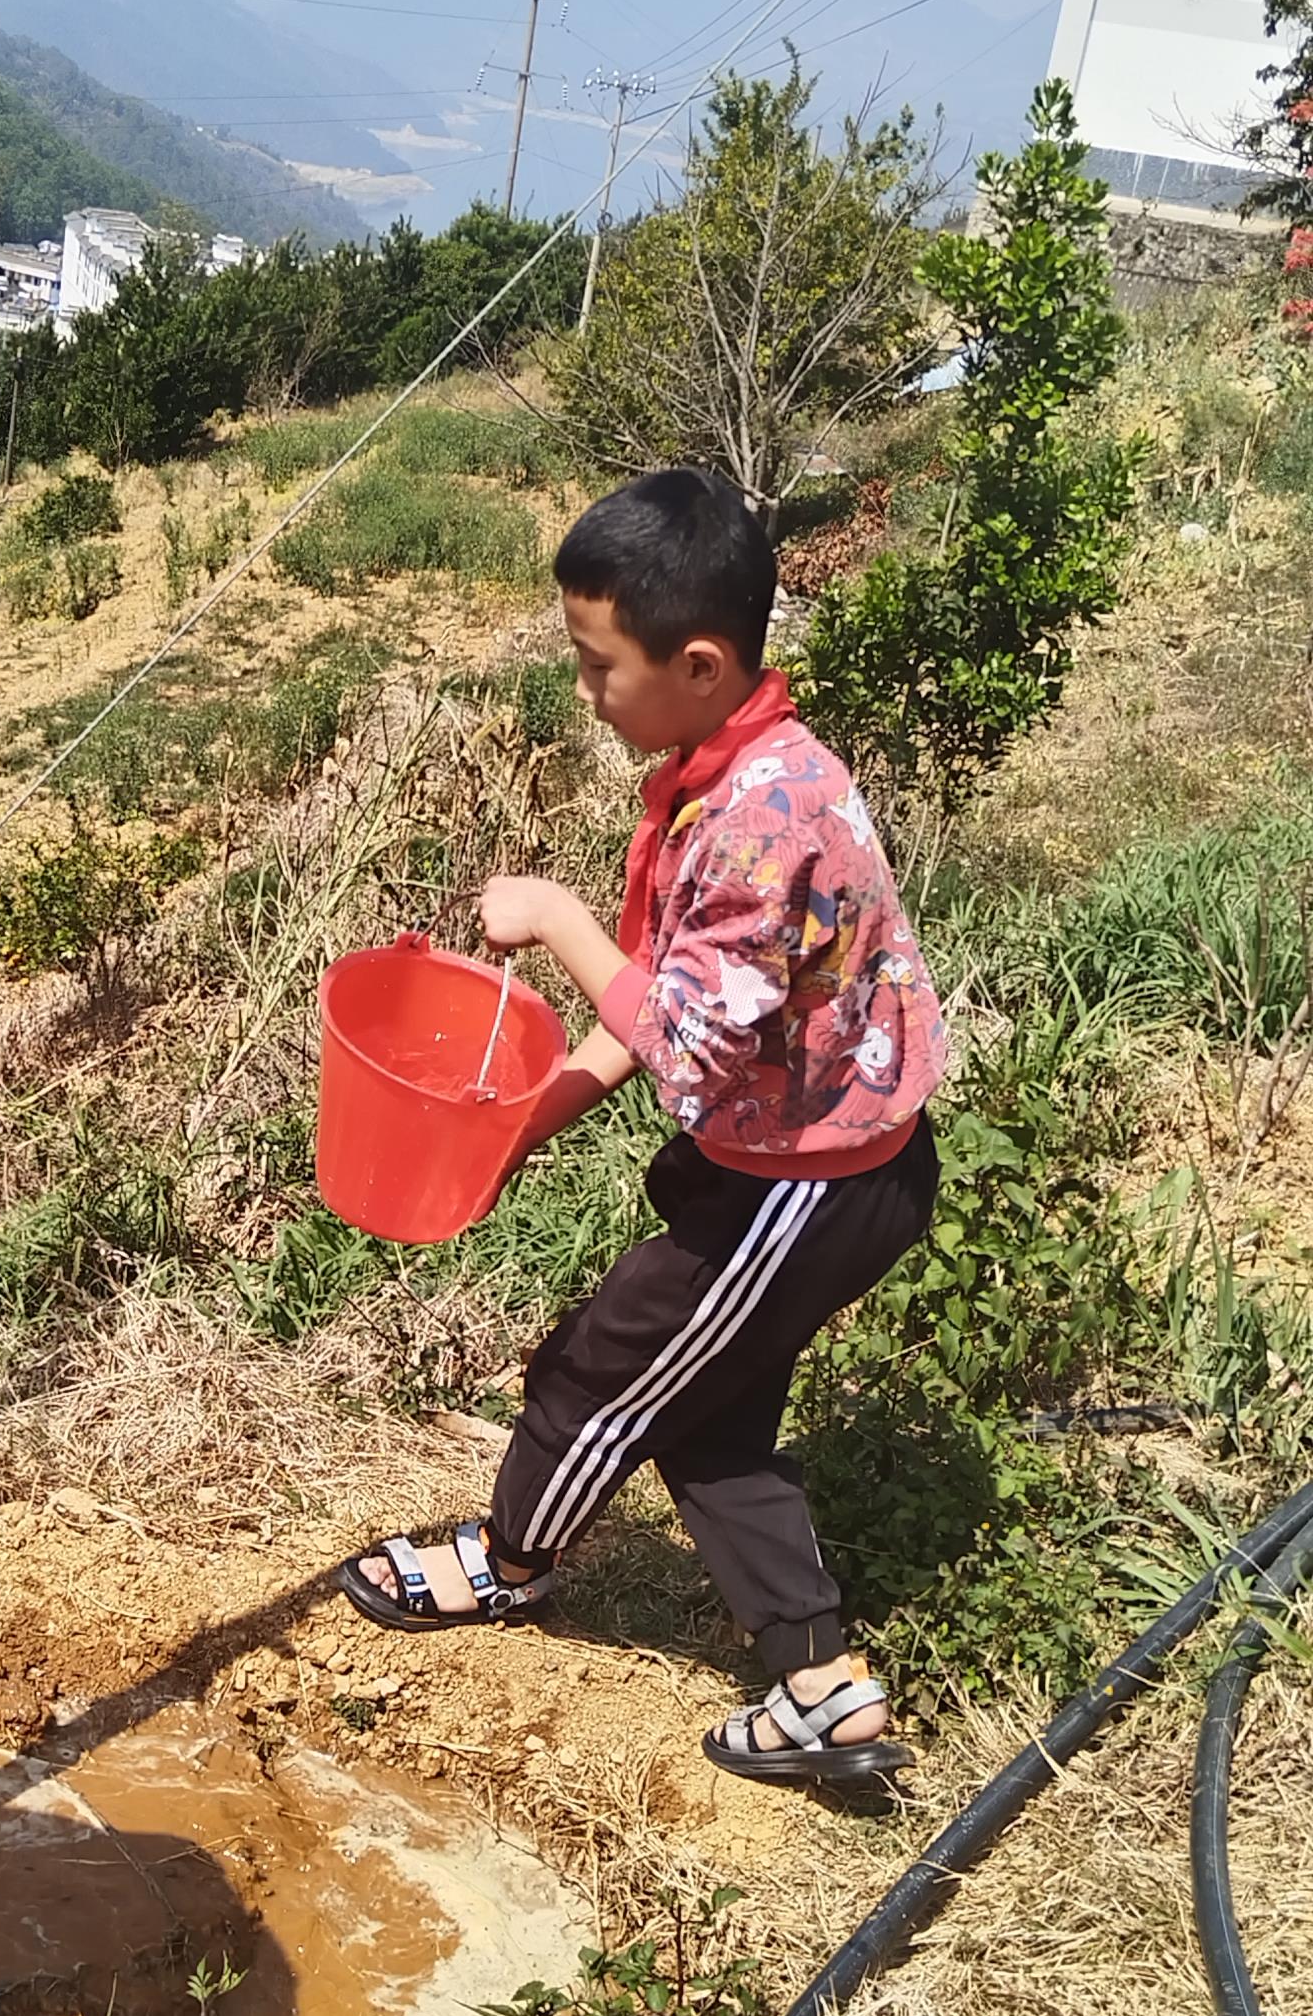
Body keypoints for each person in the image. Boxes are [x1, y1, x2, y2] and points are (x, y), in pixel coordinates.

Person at [341, 469, 945, 1787]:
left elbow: (678, 1047)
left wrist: (556, 919)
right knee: (709, 1418)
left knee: (588, 1379)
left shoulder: (757, 826)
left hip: (800, 1194)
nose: (585, 690)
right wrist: (519, 1131)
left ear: (702, 660)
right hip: (828, 1171)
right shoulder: (733, 772)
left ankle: (508, 1568)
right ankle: (821, 1686)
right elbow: (656, 1009)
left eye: (596, 663)